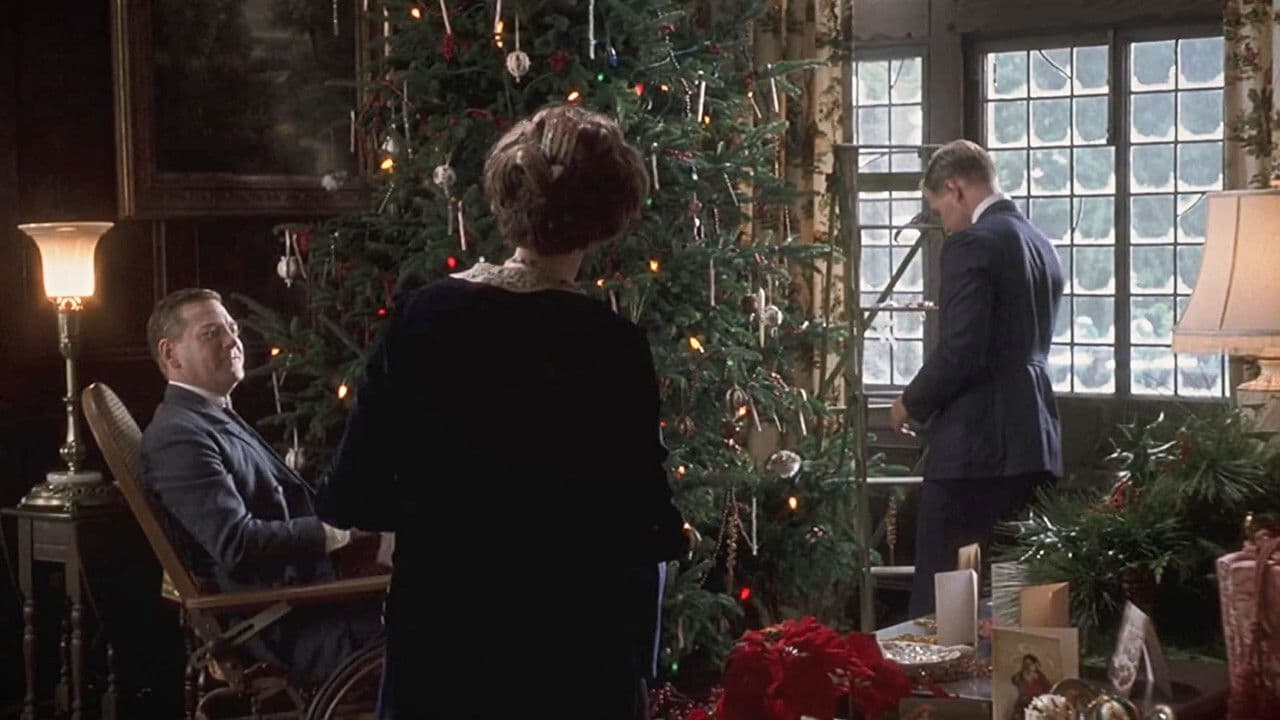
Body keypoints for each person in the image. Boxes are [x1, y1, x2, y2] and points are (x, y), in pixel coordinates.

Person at [319, 104, 687, 719]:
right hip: (574, 656)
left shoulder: (422, 316)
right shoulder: (610, 345)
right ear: (609, 218)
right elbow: (644, 522)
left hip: (443, 644)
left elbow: (354, 496)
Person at [138, 288, 383, 685]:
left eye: (232, 329)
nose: (232, 341)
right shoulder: (178, 435)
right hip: (290, 623)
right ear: (171, 354)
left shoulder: (212, 416)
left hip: (316, 599)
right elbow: (236, 543)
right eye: (211, 333)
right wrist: (338, 533)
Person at [889, 139, 1064, 618]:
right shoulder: (1041, 243)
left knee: (944, 604)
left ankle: (941, 673)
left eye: (939, 209)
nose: (943, 223)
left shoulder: (972, 243)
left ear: (955, 189)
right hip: (1035, 441)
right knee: (1018, 600)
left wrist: (910, 402)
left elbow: (962, 349)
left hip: (976, 448)